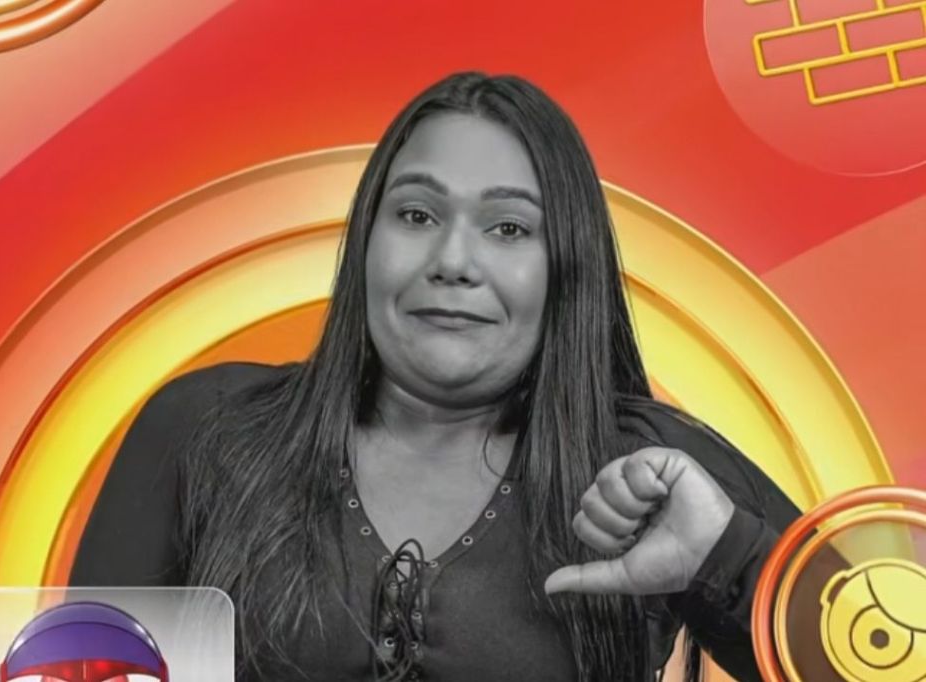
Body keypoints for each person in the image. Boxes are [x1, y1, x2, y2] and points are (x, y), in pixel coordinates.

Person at [70, 71, 803, 682]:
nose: (453, 261)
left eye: (509, 228)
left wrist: (730, 560)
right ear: (367, 240)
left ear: (566, 267)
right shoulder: (203, 431)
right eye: (417, 215)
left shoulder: (654, 468)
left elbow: (866, 651)